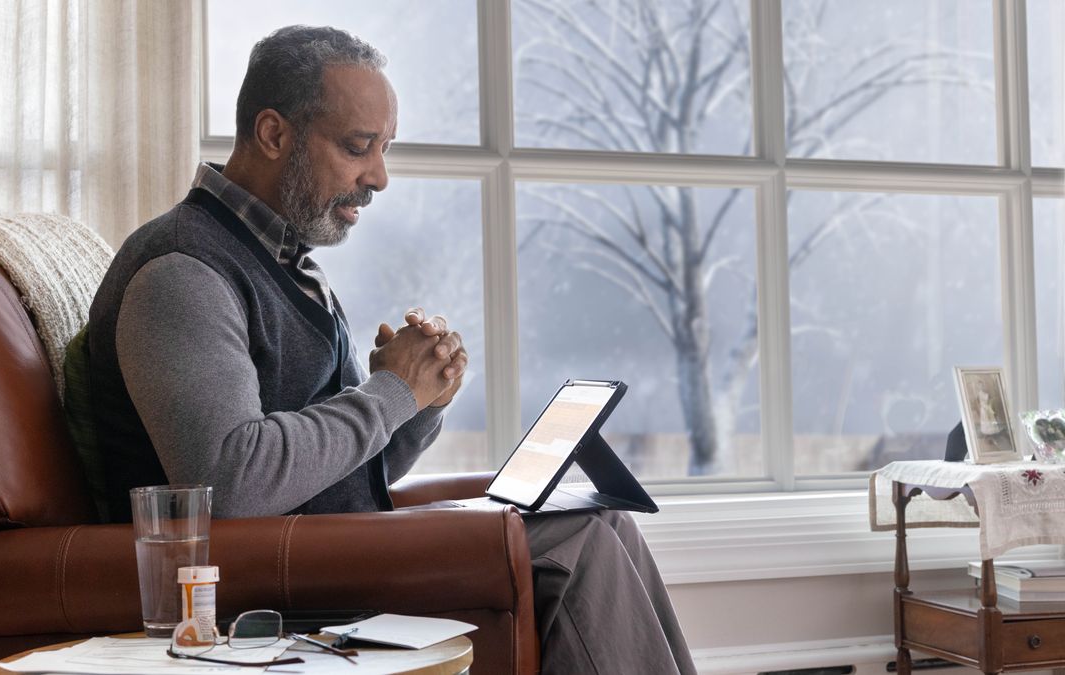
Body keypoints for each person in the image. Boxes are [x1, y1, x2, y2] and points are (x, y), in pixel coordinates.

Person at [83, 25, 695, 674]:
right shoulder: (184, 272)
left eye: (385, 148)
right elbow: (229, 480)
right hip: (252, 584)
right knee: (574, 537)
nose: (378, 176)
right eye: (358, 147)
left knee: (598, 518)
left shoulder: (286, 265)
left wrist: (418, 401)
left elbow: (347, 470)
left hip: (322, 551)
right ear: (272, 134)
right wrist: (388, 393)